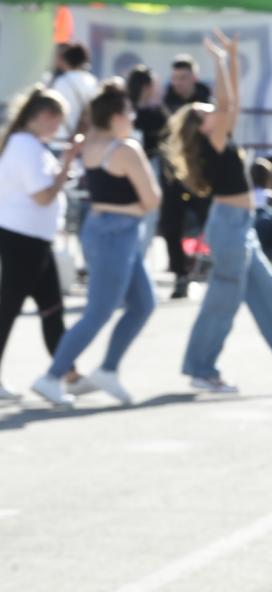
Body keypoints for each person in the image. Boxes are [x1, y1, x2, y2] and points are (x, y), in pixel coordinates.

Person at [169, 32, 272, 394]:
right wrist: (221, 61)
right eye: (204, 111)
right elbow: (229, 105)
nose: (212, 109)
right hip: (228, 225)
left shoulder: (218, 135)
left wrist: (227, 59)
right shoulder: (211, 139)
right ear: (201, 126)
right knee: (222, 302)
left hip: (240, 225)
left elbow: (232, 104)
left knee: (270, 292)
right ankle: (202, 369)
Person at [30, 80, 161, 409]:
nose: (132, 118)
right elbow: (152, 199)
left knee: (143, 303)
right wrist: (130, 208)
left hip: (104, 229)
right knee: (98, 311)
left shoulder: (88, 143)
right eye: (129, 112)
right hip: (116, 235)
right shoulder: (126, 149)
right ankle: (52, 376)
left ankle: (108, 369)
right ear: (117, 115)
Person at [0, 88, 78, 403]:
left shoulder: (28, 145)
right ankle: (64, 374)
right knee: (10, 309)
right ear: (44, 116)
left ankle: (65, 373)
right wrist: (65, 168)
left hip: (33, 240)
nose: (58, 129)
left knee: (51, 309)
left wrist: (63, 168)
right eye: (56, 121)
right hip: (23, 239)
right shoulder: (24, 146)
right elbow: (42, 195)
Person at [160, 56, 213, 297]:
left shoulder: (205, 103)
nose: (178, 83)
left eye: (183, 77)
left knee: (210, 221)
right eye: (175, 78)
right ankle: (180, 274)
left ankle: (212, 268)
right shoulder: (164, 103)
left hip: (201, 175)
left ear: (194, 77)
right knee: (171, 226)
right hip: (173, 175)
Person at [49, 41, 97, 138]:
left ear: (67, 61)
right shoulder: (92, 81)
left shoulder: (61, 81)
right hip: (82, 139)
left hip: (60, 136)